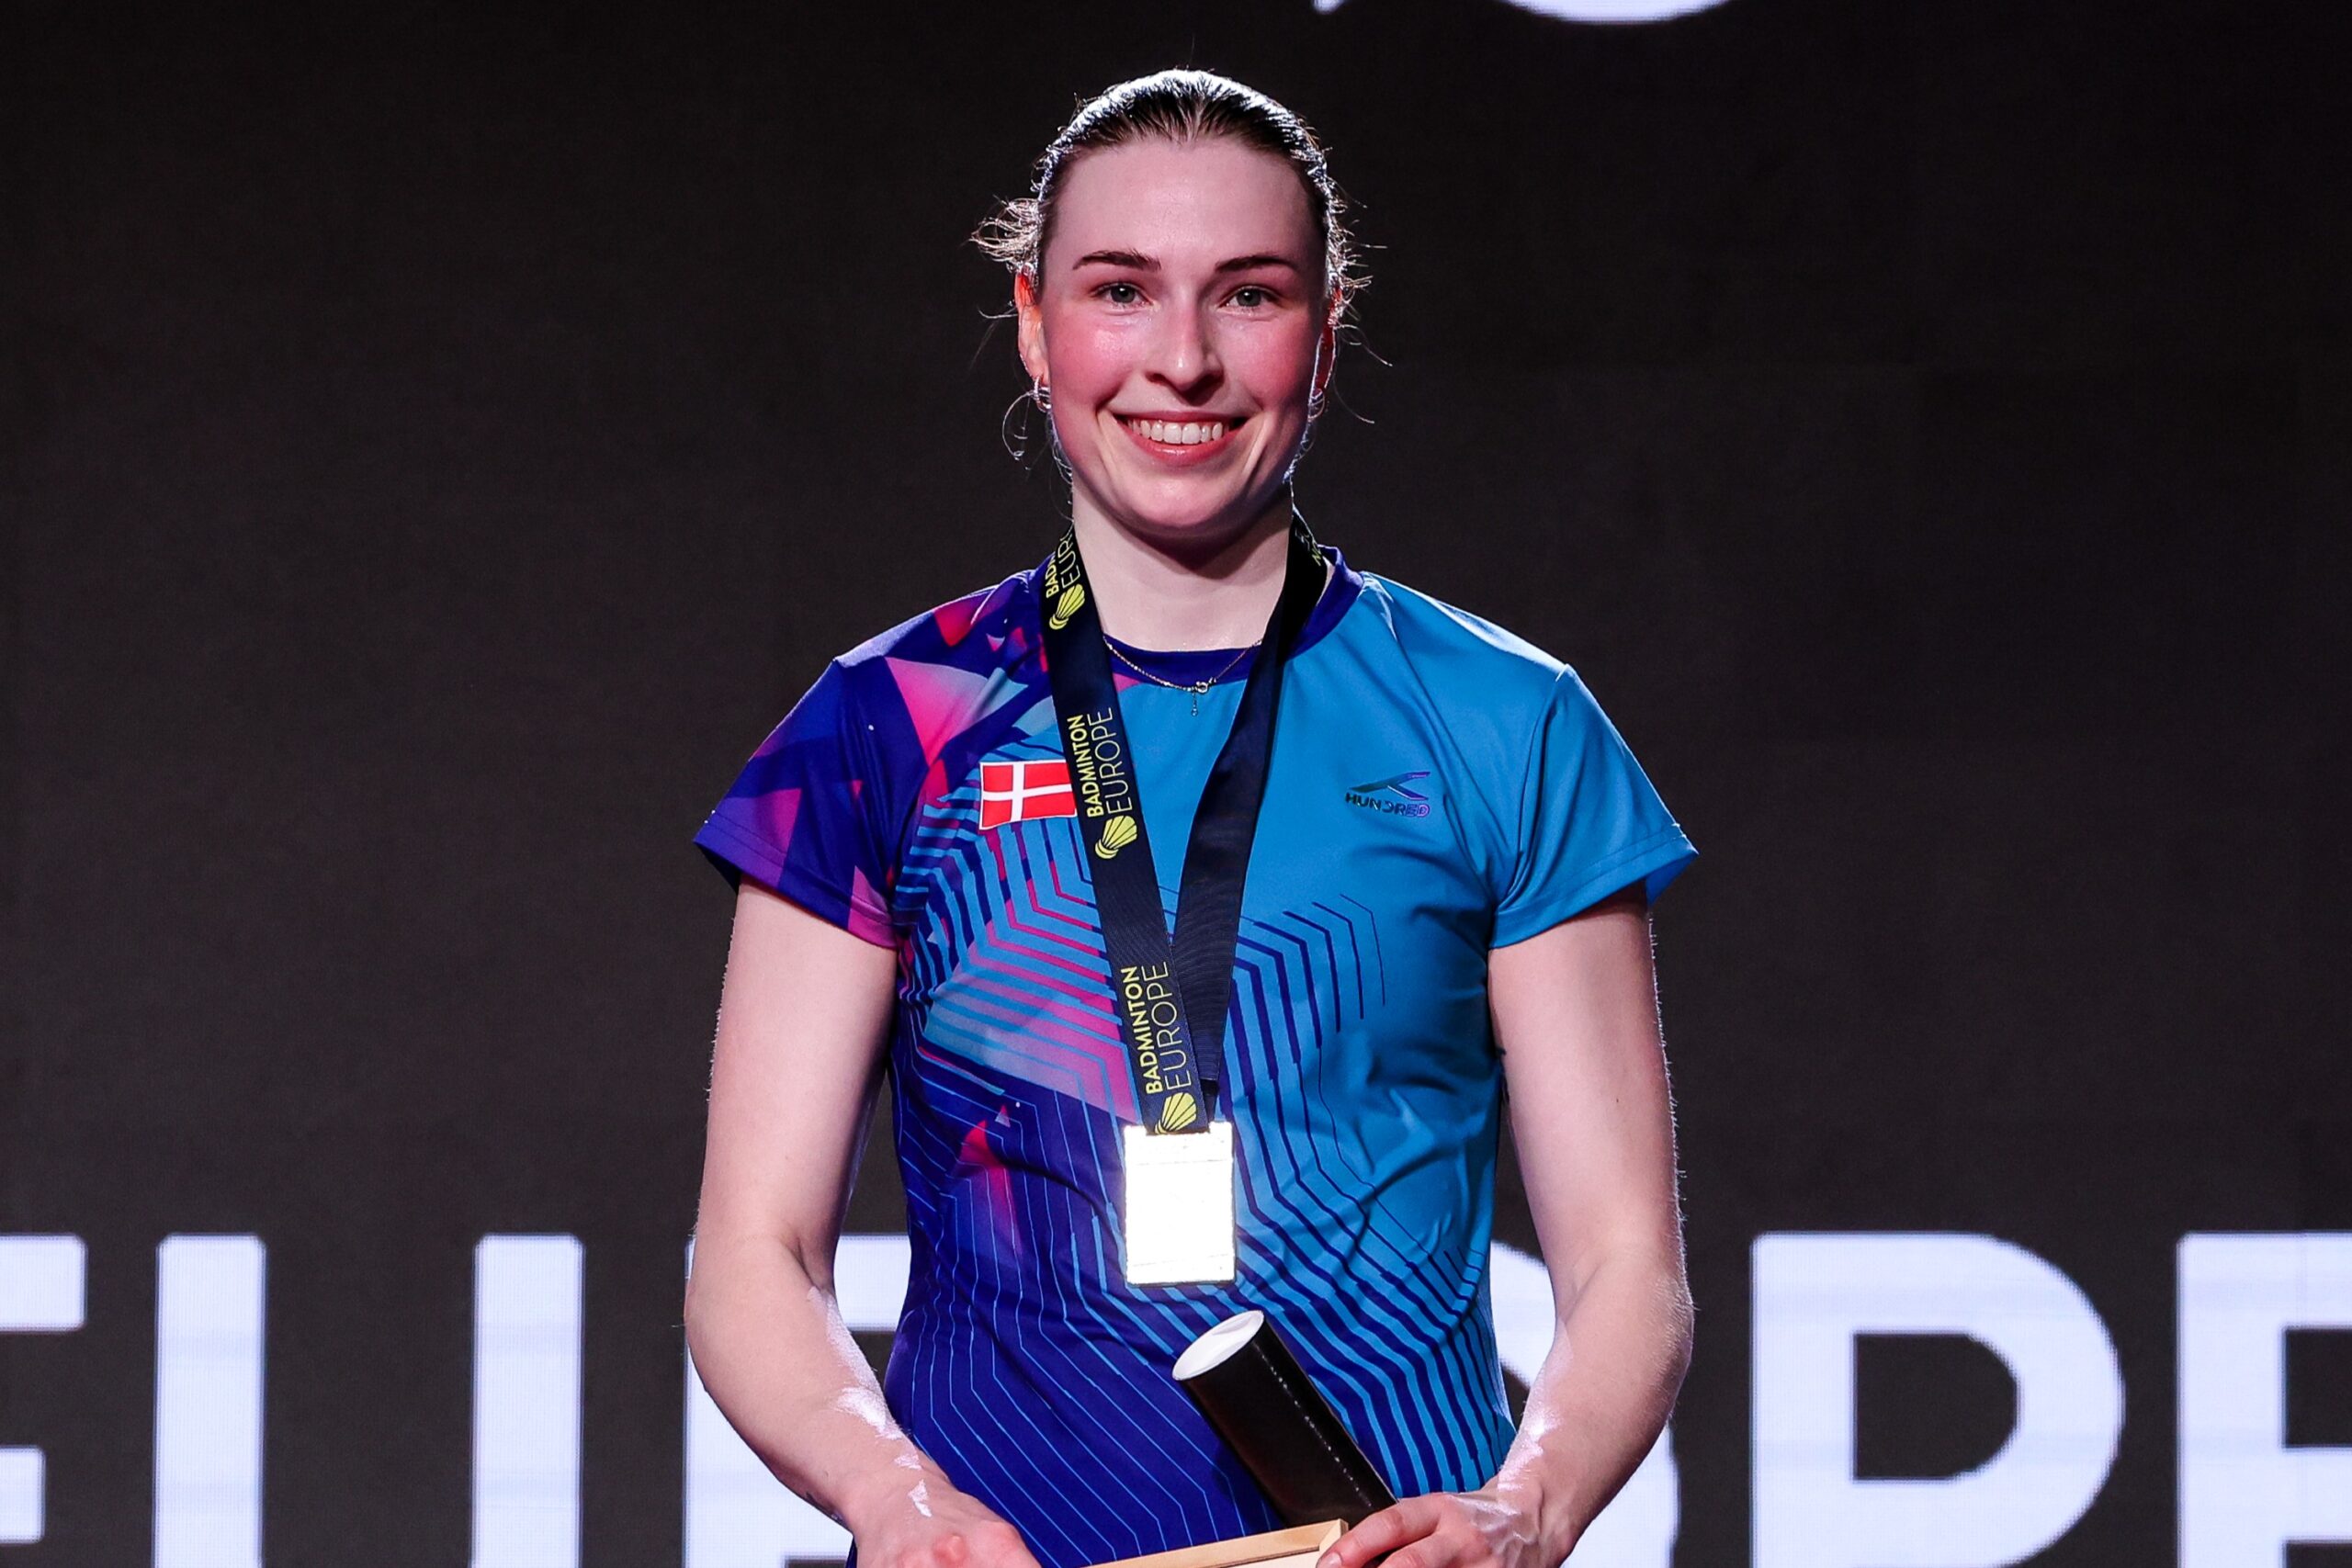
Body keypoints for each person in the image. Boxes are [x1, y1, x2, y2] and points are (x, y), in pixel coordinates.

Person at [683, 68, 1697, 1568]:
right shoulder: (885, 726)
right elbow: (753, 1255)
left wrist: (1524, 1508)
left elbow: (1623, 1265)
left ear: (1325, 337)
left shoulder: (1506, 721)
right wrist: (896, 1503)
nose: (1183, 359)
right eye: (1120, 290)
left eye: (1249, 295)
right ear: (1035, 325)